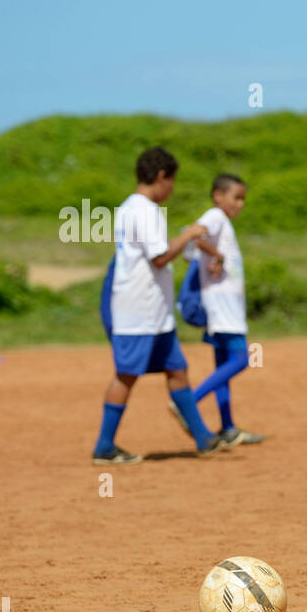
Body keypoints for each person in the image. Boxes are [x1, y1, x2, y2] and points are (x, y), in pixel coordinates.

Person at [92, 146, 225, 465]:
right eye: (172, 181)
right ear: (162, 176)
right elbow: (160, 256)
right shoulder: (144, 210)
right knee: (126, 375)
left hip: (155, 313)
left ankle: (203, 438)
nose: (172, 188)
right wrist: (190, 234)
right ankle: (104, 446)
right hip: (137, 311)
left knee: (177, 370)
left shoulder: (130, 207)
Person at [177, 174, 264, 447]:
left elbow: (193, 244)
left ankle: (227, 428)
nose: (240, 204)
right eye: (236, 197)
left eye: (243, 199)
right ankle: (188, 403)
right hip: (223, 309)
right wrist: (217, 255)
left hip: (223, 307)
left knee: (222, 366)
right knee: (241, 360)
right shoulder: (215, 216)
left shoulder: (221, 221)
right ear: (218, 196)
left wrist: (213, 254)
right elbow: (190, 233)